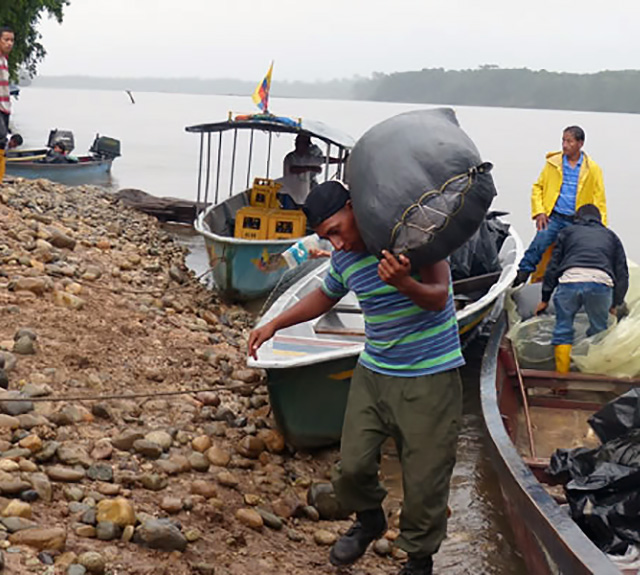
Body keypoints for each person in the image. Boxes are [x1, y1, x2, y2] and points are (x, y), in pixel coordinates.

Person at [249, 181, 464, 575]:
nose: (336, 243)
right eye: (325, 237)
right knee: (352, 466)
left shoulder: (412, 238)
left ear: (354, 207)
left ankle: (419, 560)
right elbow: (326, 295)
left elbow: (438, 296)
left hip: (429, 377)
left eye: (336, 230)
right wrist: (276, 323)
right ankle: (370, 519)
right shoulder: (345, 257)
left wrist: (405, 283)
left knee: (425, 481)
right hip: (375, 371)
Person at [535, 204, 628, 373]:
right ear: (599, 219)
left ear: (577, 218)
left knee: (563, 328)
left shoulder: (567, 232)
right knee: (599, 331)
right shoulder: (611, 236)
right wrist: (616, 303)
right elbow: (622, 273)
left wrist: (544, 299)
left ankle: (561, 380)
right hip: (601, 283)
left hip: (570, 280)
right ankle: (593, 376)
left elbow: (553, 266)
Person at [513, 126, 607, 286]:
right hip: (553, 217)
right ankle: (520, 278)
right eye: (563, 140)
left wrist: (600, 227)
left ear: (580, 143)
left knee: (577, 253)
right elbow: (538, 187)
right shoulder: (553, 163)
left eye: (569, 141)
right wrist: (539, 212)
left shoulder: (592, 169)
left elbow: (599, 199)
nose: (564, 145)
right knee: (539, 243)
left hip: (578, 221)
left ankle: (570, 284)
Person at [278, 133, 324, 208]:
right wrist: (310, 168)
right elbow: (293, 169)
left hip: (303, 194)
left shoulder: (308, 157)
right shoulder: (290, 157)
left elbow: (322, 160)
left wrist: (340, 160)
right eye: (302, 143)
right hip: (289, 193)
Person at [0, 26, 15, 182]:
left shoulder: (4, 60)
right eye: (6, 40)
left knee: (3, 145)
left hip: (5, 108)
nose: (9, 43)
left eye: (12, 40)